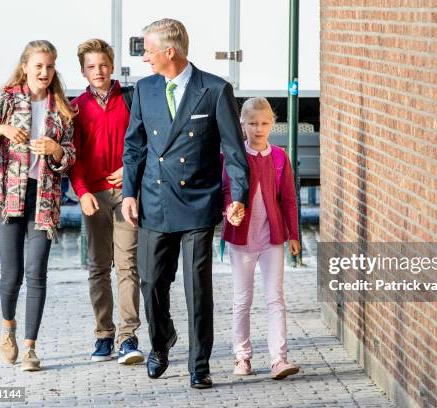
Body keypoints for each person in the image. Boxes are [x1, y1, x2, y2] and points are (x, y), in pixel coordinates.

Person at [121, 18, 249, 388]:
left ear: (169, 52)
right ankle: (161, 343)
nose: (144, 57)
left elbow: (233, 151)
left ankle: (200, 364)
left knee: (197, 287)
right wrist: (130, 192)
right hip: (156, 202)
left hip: (196, 203)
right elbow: (135, 147)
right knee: (150, 282)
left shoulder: (213, 89)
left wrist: (237, 196)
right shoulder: (144, 89)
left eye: (148, 50)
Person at [0, 40, 76, 371]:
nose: (45, 72)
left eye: (50, 66)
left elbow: (70, 156)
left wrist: (56, 150)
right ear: (25, 66)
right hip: (7, 197)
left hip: (44, 199)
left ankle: (30, 347)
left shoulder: (62, 108)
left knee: (37, 272)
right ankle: (8, 329)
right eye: (39, 65)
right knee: (12, 274)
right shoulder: (7, 98)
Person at [69, 39, 143, 364]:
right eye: (91, 66)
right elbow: (75, 157)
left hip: (127, 195)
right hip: (94, 198)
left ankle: (129, 338)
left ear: (112, 65)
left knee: (128, 266)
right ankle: (103, 335)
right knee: (99, 267)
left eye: (103, 64)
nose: (97, 71)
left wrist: (129, 171)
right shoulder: (75, 108)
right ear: (83, 71)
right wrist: (82, 192)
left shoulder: (131, 99)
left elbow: (143, 144)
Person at [222, 97, 301, 379]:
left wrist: (294, 234)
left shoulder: (279, 156)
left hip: (272, 239)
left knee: (275, 298)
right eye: (253, 123)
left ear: (273, 124)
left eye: (265, 123)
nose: (259, 129)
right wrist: (228, 211)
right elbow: (224, 192)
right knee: (242, 299)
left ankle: (279, 359)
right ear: (242, 125)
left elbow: (289, 199)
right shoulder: (233, 156)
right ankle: (242, 358)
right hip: (241, 240)